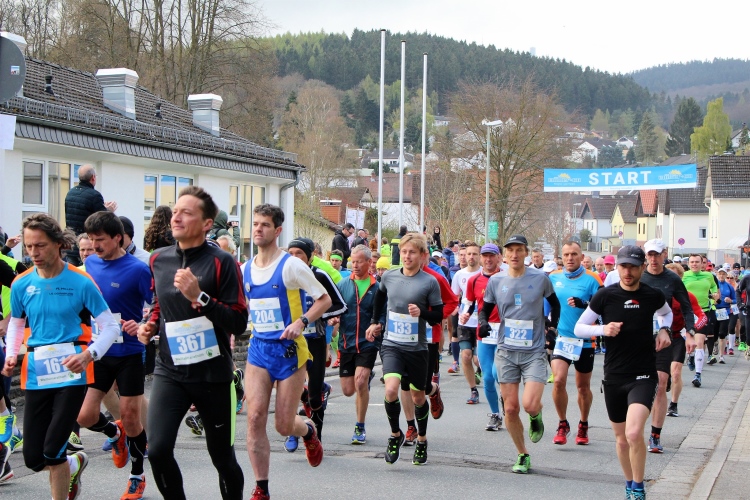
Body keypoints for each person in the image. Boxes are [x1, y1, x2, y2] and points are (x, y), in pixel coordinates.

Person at [136, 186, 248, 500]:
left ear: (207, 223)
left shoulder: (222, 262)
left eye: (187, 213)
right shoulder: (158, 259)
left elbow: (238, 321)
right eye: (175, 211)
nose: (177, 217)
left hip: (212, 374)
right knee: (158, 450)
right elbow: (159, 302)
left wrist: (200, 297)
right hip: (170, 370)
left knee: (222, 458)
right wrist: (150, 324)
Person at [2, 213, 121, 500]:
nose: (33, 253)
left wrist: (89, 355)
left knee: (52, 448)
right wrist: (11, 353)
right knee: (34, 458)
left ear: (58, 244)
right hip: (37, 372)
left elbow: (110, 326)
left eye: (40, 245)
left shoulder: (81, 281)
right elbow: (17, 322)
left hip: (72, 371)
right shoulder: (21, 283)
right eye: (29, 246)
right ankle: (74, 463)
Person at [243, 204, 332, 500]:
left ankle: (307, 430)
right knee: (254, 417)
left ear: (277, 230)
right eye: (256, 223)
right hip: (258, 350)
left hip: (290, 352)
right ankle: (261, 487)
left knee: (283, 425)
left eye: (265, 225)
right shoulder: (245, 268)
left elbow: (324, 299)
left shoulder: (291, 266)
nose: (258, 229)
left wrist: (301, 321)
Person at [574, 245, 673, 500]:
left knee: (633, 433)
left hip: (643, 374)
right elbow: (579, 328)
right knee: (620, 439)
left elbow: (667, 313)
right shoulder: (605, 296)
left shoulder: (652, 295)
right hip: (614, 376)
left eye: (633, 267)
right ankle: (629, 484)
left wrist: (665, 330)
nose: (628, 272)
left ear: (642, 268)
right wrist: (603, 329)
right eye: (623, 266)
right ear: (617, 268)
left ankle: (639, 488)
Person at [76, 212, 152, 499]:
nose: (94, 246)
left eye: (100, 240)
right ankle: (114, 434)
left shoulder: (138, 269)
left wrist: (142, 323)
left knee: (131, 417)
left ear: (117, 238)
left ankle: (137, 475)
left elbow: (157, 305)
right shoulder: (90, 264)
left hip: (129, 352)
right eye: (91, 239)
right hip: (98, 351)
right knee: (85, 416)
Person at [478, 235, 560, 474]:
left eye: (519, 250)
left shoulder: (541, 279)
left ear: (526, 253)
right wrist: (483, 323)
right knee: (511, 409)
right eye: (510, 250)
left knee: (530, 404)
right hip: (506, 351)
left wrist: (552, 328)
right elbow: (484, 310)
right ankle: (522, 454)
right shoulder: (496, 281)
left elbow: (555, 305)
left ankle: (535, 415)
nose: (514, 255)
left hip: (533, 351)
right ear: (505, 255)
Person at [365, 233, 443, 465]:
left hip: (417, 348)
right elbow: (379, 298)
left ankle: (422, 439)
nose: (407, 256)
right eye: (404, 252)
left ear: (422, 255)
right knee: (391, 390)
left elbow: (438, 315)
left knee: (418, 396)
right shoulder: (389, 276)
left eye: (412, 252)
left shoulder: (430, 282)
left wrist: (422, 313)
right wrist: (375, 322)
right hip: (392, 344)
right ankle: (395, 435)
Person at [283, 237, 346, 451]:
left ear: (310, 256)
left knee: (315, 397)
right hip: (292, 342)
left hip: (315, 340)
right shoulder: (283, 277)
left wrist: (319, 315)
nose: (294, 258)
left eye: (299, 254)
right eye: (290, 254)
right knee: (288, 390)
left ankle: (315, 437)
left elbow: (339, 304)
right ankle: (293, 431)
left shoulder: (319, 275)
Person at [639, 239, 696, 454]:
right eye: (650, 255)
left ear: (664, 254)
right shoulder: (638, 275)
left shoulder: (672, 279)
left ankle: (655, 435)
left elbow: (687, 308)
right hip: (639, 338)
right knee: (640, 385)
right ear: (646, 256)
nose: (653, 259)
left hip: (663, 337)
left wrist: (690, 333)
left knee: (661, 383)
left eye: (657, 254)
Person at [548, 241, 602, 446]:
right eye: (566, 254)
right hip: (562, 339)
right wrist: (546, 327)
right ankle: (563, 424)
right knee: (559, 381)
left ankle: (583, 423)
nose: (570, 258)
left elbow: (605, 308)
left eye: (574, 254)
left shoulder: (593, 279)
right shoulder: (553, 277)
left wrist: (585, 304)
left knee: (582, 387)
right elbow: (545, 306)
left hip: (585, 341)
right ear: (561, 257)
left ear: (581, 257)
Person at [335, 244, 385, 444]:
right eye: (352, 262)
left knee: (360, 381)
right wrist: (333, 319)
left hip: (368, 342)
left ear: (369, 262)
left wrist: (379, 325)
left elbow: (383, 313)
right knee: (348, 390)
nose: (354, 265)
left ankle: (360, 426)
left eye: (358, 262)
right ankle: (364, 379)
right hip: (346, 342)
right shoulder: (343, 285)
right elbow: (334, 308)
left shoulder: (378, 287)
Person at [462, 243, 505, 430]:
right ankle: (495, 414)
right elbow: (471, 303)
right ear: (481, 258)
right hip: (485, 333)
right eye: (485, 256)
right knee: (487, 377)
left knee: (497, 373)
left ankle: (507, 400)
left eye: (492, 256)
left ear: (498, 258)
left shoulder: (507, 278)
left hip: (504, 332)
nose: (488, 259)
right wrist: (466, 314)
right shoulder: (474, 281)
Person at [663, 263, 706, 418]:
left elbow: (702, 316)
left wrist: (691, 331)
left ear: (680, 279)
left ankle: (673, 405)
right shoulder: (657, 294)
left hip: (678, 336)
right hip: (660, 337)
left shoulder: (688, 296)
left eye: (674, 277)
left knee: (676, 372)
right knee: (661, 376)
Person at [64, 164, 117, 266]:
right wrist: (109, 211)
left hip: (71, 244)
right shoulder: (94, 195)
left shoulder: (70, 193)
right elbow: (102, 221)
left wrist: (103, 208)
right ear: (93, 177)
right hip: (87, 245)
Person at [452, 242, 483, 404]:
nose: (471, 257)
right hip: (465, 322)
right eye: (468, 254)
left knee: (478, 359)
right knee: (466, 356)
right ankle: (473, 390)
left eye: (474, 254)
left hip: (482, 323)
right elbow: (453, 296)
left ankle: (481, 371)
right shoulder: (459, 275)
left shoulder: (485, 274)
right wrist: (454, 309)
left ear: (480, 256)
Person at [683, 254, 719, 388]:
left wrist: (715, 295)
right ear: (688, 263)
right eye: (692, 262)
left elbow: (714, 288)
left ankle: (698, 374)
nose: (694, 264)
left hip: (703, 312)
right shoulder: (684, 276)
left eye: (697, 262)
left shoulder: (709, 276)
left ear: (702, 263)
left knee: (699, 341)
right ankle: (691, 356)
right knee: (688, 341)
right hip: (687, 312)